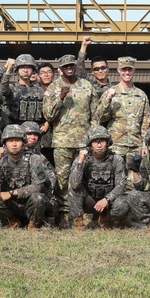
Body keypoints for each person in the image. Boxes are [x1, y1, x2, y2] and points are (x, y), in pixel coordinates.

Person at [43, 54, 99, 227]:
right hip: (62, 141)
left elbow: (95, 113)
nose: (69, 68)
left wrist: (93, 136)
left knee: (85, 178)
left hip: (84, 141)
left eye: (72, 65)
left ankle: (85, 215)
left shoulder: (86, 85)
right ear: (60, 68)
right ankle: (64, 216)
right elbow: (48, 115)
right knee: (63, 180)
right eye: (65, 66)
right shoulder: (53, 87)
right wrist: (60, 98)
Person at [0, 125, 55, 230]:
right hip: (11, 204)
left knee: (39, 198)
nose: (14, 144)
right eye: (10, 141)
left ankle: (34, 225)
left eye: (17, 141)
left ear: (23, 143)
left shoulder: (34, 158)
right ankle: (13, 222)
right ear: (4, 144)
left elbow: (38, 186)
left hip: (29, 202)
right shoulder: (1, 159)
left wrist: (12, 193)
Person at [68, 126, 129, 230]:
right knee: (73, 191)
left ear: (108, 142)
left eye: (102, 141)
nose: (99, 145)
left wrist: (107, 199)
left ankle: (106, 219)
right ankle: (78, 224)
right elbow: (74, 184)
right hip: (90, 200)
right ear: (90, 144)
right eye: (95, 141)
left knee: (122, 204)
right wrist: (80, 163)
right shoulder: (83, 159)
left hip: (108, 201)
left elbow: (121, 185)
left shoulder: (116, 160)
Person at [96, 57, 150, 164]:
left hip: (136, 147)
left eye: (129, 70)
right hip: (115, 146)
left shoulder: (141, 95)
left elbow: (146, 124)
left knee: (136, 179)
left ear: (134, 71)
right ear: (118, 71)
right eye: (124, 70)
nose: (127, 72)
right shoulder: (110, 93)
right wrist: (107, 100)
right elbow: (101, 118)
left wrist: (145, 145)